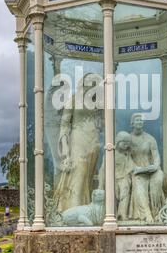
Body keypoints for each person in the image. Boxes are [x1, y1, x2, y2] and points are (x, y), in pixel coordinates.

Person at [54, 73, 103, 213]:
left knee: (89, 178)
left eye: (94, 84)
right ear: (82, 83)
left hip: (93, 142)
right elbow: (64, 125)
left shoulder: (96, 103)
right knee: (79, 174)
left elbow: (103, 123)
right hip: (78, 140)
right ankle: (72, 211)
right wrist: (65, 152)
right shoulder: (73, 100)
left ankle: (85, 210)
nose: (91, 86)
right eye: (88, 82)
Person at [129, 113, 165, 223]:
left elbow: (157, 157)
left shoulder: (150, 139)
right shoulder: (128, 139)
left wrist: (154, 166)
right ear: (132, 123)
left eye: (141, 120)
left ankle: (157, 213)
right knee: (140, 189)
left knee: (157, 181)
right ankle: (147, 215)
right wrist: (136, 169)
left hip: (152, 170)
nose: (139, 122)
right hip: (137, 171)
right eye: (137, 120)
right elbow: (127, 159)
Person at [99, 131, 135, 221]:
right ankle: (112, 214)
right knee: (112, 195)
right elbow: (103, 169)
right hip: (113, 178)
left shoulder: (127, 155)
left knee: (125, 192)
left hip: (124, 178)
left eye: (128, 143)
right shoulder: (110, 154)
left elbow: (132, 166)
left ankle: (122, 214)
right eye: (124, 142)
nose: (126, 145)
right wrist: (101, 184)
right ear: (118, 141)